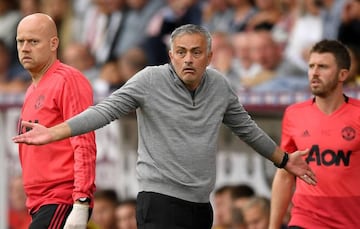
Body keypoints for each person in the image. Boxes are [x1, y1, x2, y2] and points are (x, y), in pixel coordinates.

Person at [13, 24, 316, 229]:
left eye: (196, 52)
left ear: (209, 57)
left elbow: (246, 128)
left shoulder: (220, 87)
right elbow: (105, 111)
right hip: (159, 202)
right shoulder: (149, 80)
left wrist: (286, 160)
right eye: (181, 52)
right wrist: (53, 132)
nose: (188, 59)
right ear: (170, 55)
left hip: (201, 206)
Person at [14, 13, 96, 228]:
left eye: (33, 41)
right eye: (20, 41)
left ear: (53, 44)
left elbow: (84, 141)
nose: (25, 48)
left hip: (61, 198)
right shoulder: (32, 89)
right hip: (39, 202)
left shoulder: (68, 80)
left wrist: (81, 202)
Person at [269, 39, 359, 228]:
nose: (314, 73)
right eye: (311, 66)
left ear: (343, 74)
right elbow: (285, 174)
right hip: (305, 219)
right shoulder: (294, 114)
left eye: (323, 67)